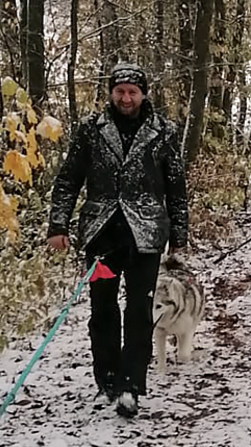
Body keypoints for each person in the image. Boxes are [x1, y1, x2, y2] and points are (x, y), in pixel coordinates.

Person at [46, 62, 189, 419]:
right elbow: (68, 179)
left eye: (133, 92)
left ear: (143, 94)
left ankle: (131, 385)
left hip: (146, 237)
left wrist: (179, 234)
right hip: (101, 236)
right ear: (111, 93)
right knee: (103, 310)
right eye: (120, 91)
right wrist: (57, 225)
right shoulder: (90, 130)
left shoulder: (164, 131)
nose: (126, 98)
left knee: (140, 312)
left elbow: (176, 186)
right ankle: (107, 379)